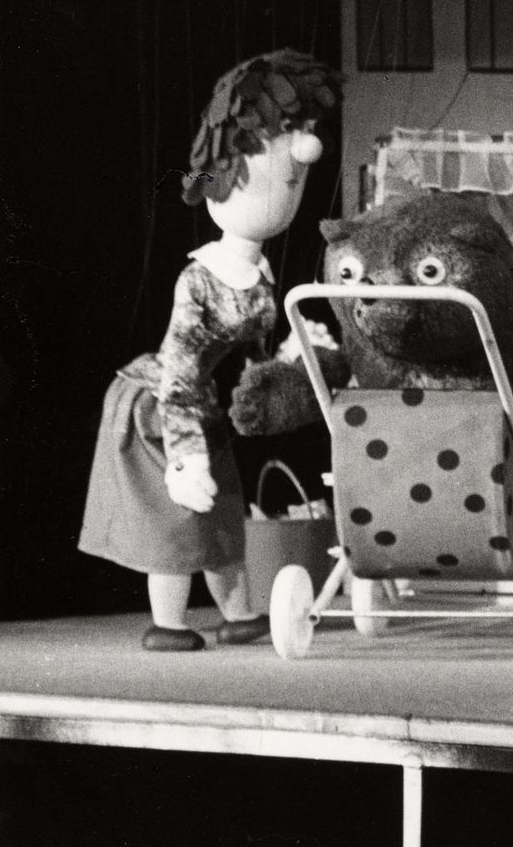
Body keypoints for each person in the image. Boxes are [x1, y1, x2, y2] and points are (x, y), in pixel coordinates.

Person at [79, 49, 340, 651]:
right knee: (179, 514)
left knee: (223, 511)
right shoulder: (199, 279)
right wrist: (184, 455)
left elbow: (250, 353)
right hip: (161, 407)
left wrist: (293, 355)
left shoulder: (258, 274)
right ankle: (168, 624)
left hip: (205, 402)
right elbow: (179, 369)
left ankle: (237, 613)